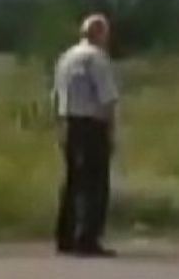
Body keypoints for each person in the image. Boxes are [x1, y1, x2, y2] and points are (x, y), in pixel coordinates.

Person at [52, 13, 119, 257]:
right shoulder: (97, 59)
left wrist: (60, 125)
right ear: (99, 33)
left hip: (70, 122)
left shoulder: (66, 58)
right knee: (94, 184)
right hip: (92, 124)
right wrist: (111, 131)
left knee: (72, 181)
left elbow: (56, 95)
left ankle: (65, 235)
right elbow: (107, 99)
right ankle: (87, 238)